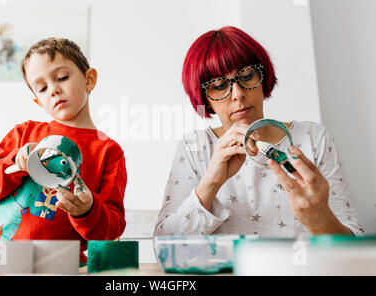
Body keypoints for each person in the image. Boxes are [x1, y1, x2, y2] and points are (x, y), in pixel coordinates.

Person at [154, 26, 364, 239]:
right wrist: (211, 183)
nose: (238, 94)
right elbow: (164, 243)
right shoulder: (194, 147)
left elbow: (353, 246)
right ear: (204, 98)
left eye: (246, 76)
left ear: (263, 77)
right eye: (219, 85)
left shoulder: (313, 138)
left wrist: (319, 218)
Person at [0, 38, 127, 263]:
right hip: (0, 258)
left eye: (62, 78)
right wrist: (14, 160)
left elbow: (111, 229)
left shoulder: (109, 152)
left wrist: (87, 210)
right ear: (39, 102)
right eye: (43, 88)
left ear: (89, 79)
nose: (54, 90)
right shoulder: (23, 133)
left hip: (61, 263)